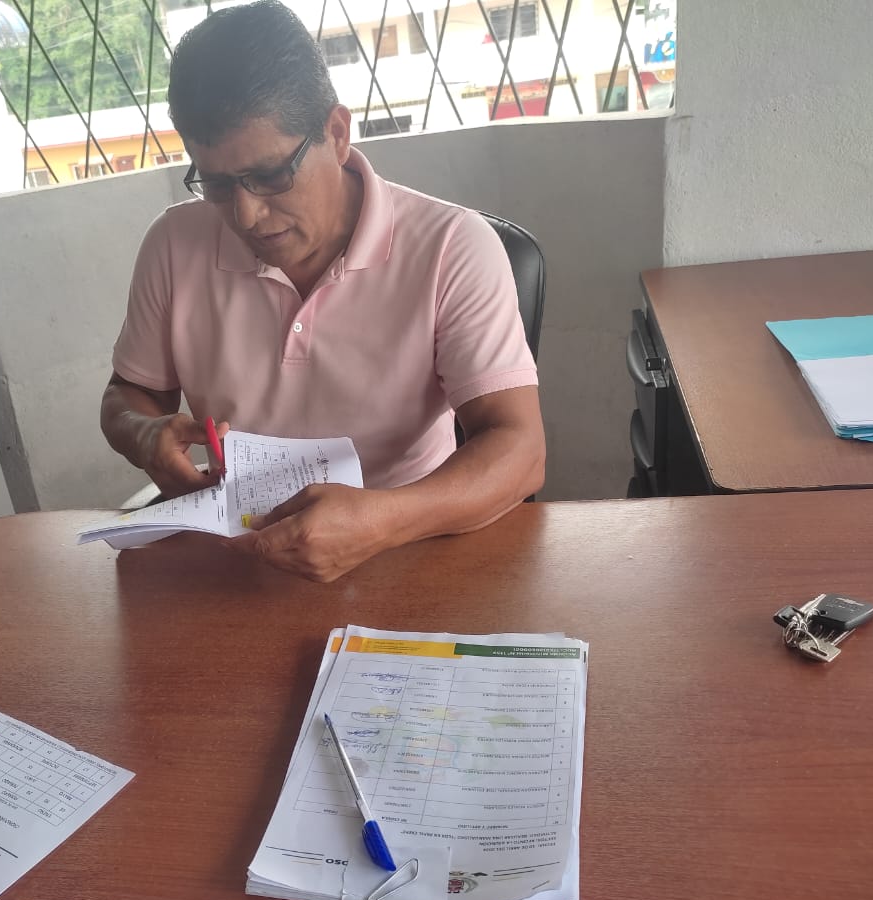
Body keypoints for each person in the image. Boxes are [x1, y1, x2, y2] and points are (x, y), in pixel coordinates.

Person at [100, 0, 544, 583]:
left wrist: (382, 522)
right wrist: (143, 435)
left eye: (269, 175)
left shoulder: (452, 247)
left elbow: (519, 449)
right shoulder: (174, 243)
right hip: (240, 555)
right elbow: (128, 394)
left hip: (409, 550)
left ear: (336, 134)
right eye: (216, 183)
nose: (246, 215)